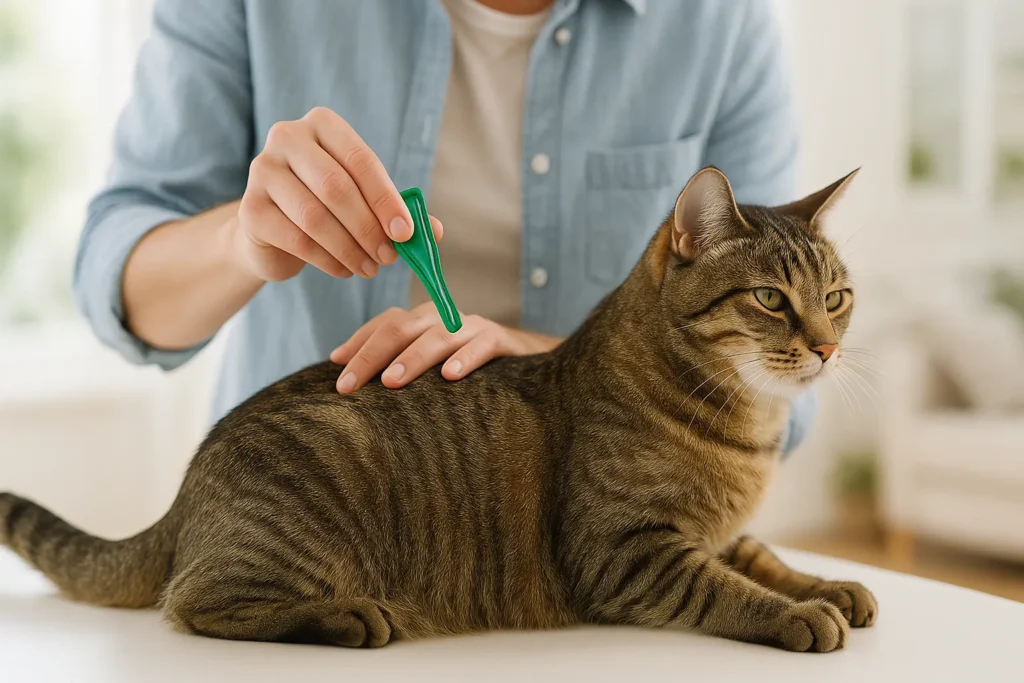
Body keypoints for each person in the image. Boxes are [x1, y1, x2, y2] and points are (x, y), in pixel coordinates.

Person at [74, 0, 817, 454]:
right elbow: (119, 285)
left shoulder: (722, 18)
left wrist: (557, 364)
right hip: (310, 527)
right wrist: (242, 240)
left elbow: (786, 386)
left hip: (599, 554)